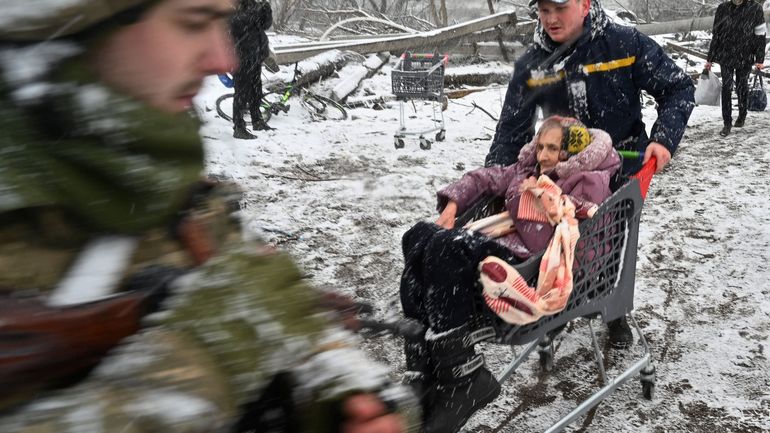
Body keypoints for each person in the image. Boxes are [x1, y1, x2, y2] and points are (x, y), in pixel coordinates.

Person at [0, 1, 414, 433]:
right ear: (70, 27)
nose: (222, 57)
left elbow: (271, 303)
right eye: (193, 22)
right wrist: (208, 354)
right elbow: (236, 318)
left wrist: (333, 385)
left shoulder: (164, 179)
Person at [399, 116, 620, 433]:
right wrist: (451, 207)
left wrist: (545, 198)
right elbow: (484, 178)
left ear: (571, 153)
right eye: (541, 146)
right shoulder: (526, 170)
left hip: (527, 260)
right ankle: (422, 368)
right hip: (494, 240)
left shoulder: (589, 179)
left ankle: (465, 376)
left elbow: (586, 232)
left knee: (445, 248)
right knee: (418, 236)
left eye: (553, 149)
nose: (544, 155)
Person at [486, 0, 695, 177]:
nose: (551, 19)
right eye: (545, 10)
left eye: (560, 9)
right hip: (562, 177)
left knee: (615, 225)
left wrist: (663, 139)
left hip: (622, 173)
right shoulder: (532, 66)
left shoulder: (625, 45)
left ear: (585, 5)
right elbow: (510, 134)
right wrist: (492, 183)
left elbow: (677, 87)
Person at [705, 0, 767, 137]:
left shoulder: (755, 8)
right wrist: (710, 58)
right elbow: (716, 34)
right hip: (726, 55)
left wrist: (759, 59)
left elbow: (761, 34)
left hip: (745, 55)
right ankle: (727, 123)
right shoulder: (723, 8)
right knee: (726, 87)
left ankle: (742, 114)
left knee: (741, 85)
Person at [231, 0, 273, 139]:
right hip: (241, 58)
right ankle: (239, 127)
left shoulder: (255, 5)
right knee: (241, 94)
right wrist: (254, 12)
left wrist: (266, 10)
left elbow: (265, 25)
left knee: (256, 91)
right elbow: (237, 26)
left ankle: (257, 121)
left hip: (256, 56)